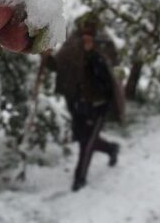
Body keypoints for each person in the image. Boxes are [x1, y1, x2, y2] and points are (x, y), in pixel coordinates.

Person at [41, 15, 125, 191]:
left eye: (90, 28)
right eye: (83, 28)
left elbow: (111, 74)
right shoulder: (72, 44)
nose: (86, 32)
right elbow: (58, 66)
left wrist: (92, 53)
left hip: (99, 103)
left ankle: (80, 178)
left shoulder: (104, 45)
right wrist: (47, 57)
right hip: (77, 103)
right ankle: (111, 149)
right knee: (83, 139)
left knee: (86, 142)